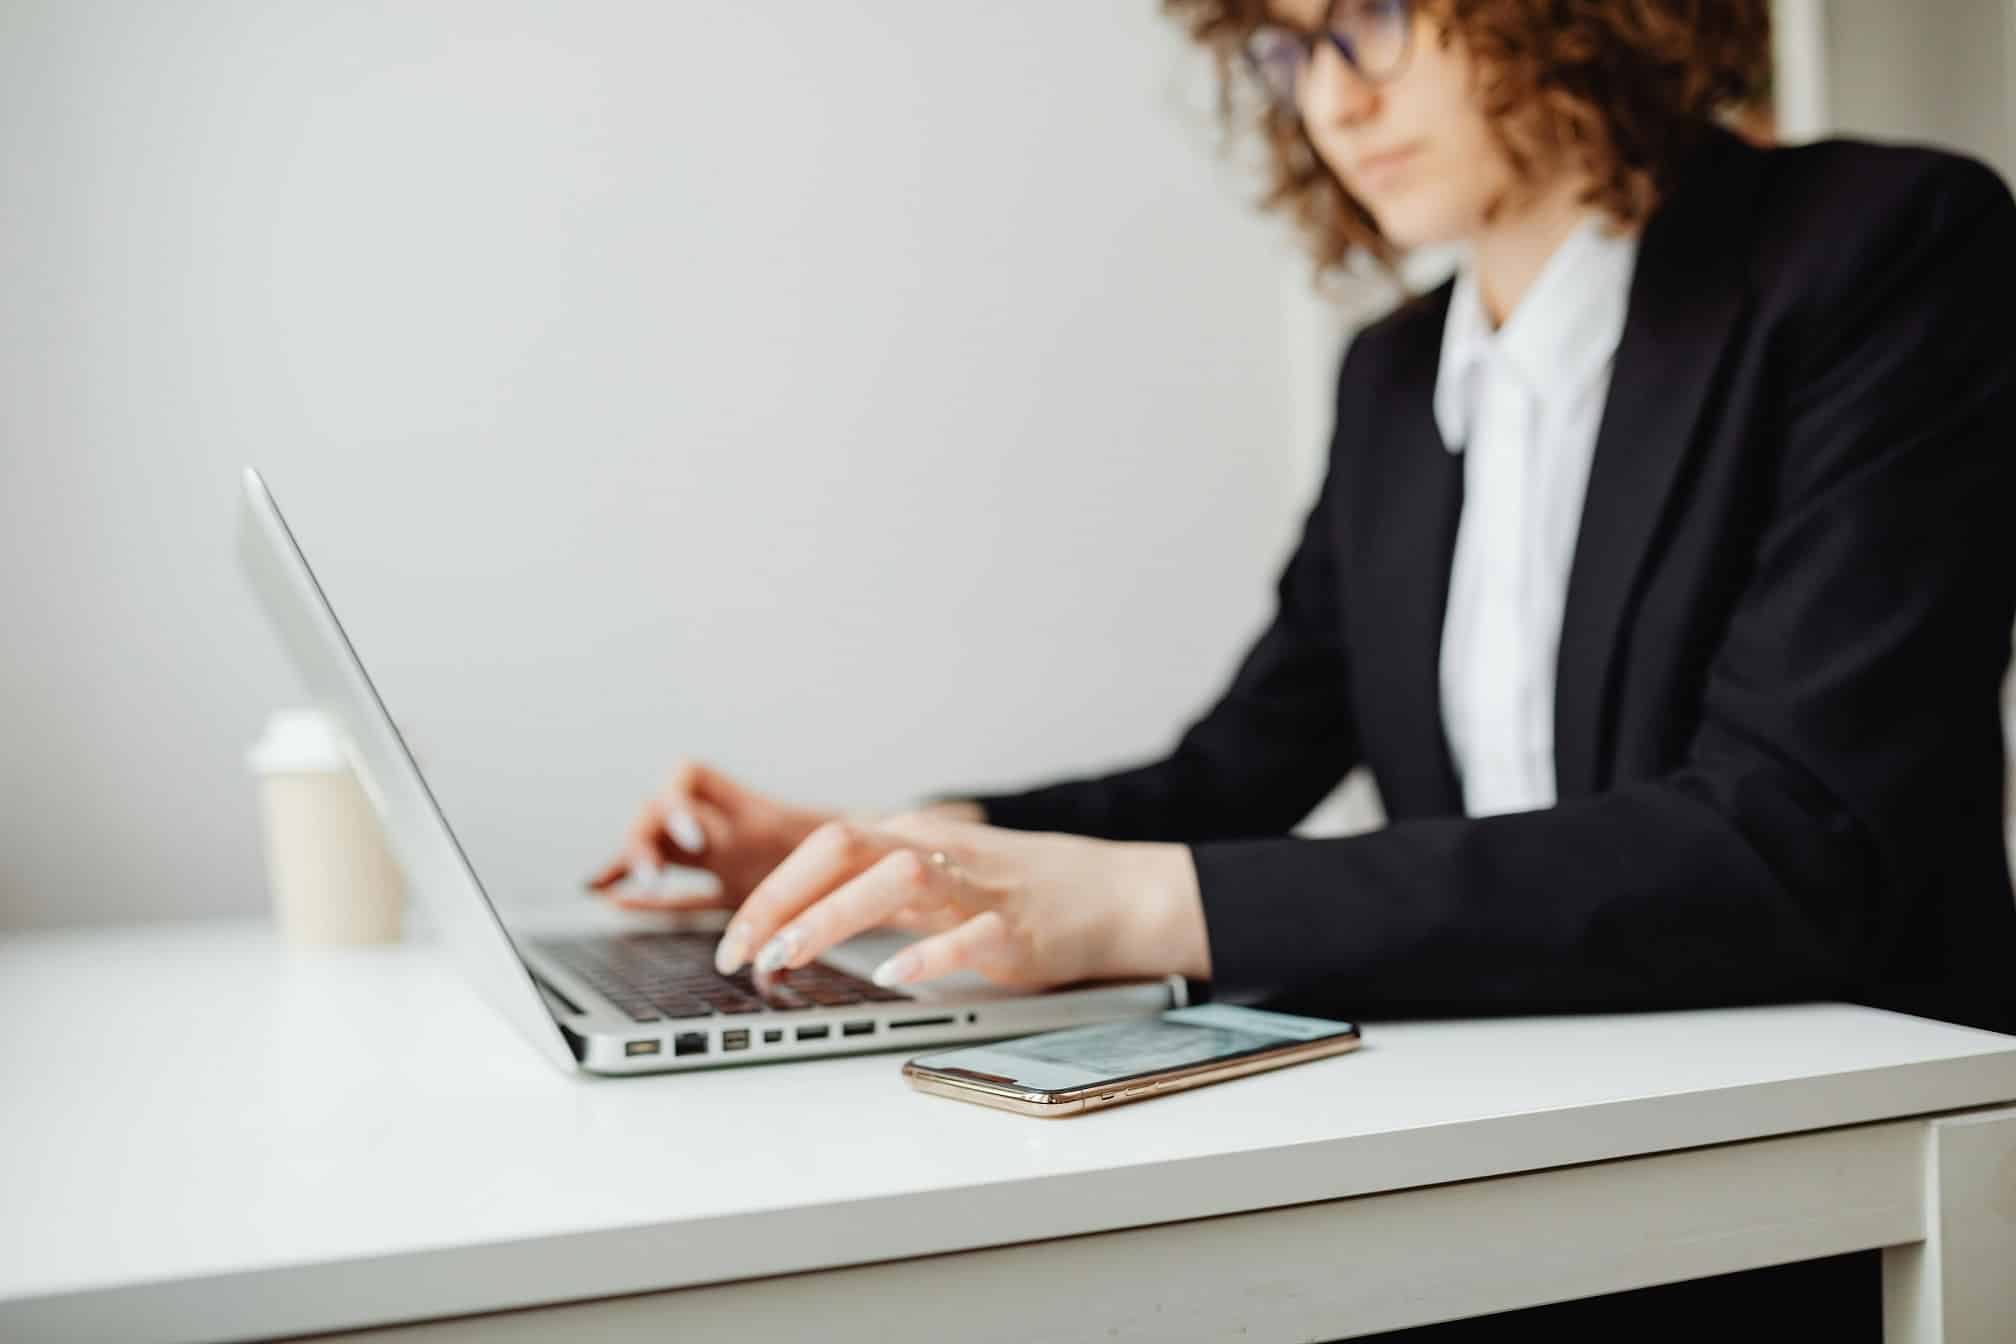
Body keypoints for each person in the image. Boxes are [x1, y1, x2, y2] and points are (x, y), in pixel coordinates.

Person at [589, 1, 2016, 1337]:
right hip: (1519, 1137)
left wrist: (1149, 903)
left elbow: (1792, 842)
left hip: (1846, 1169)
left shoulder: (1887, 247)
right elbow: (1242, 763)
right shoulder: (1396, 377)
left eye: (1374, 14)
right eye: (1285, 48)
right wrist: (911, 847)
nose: (1335, 95)